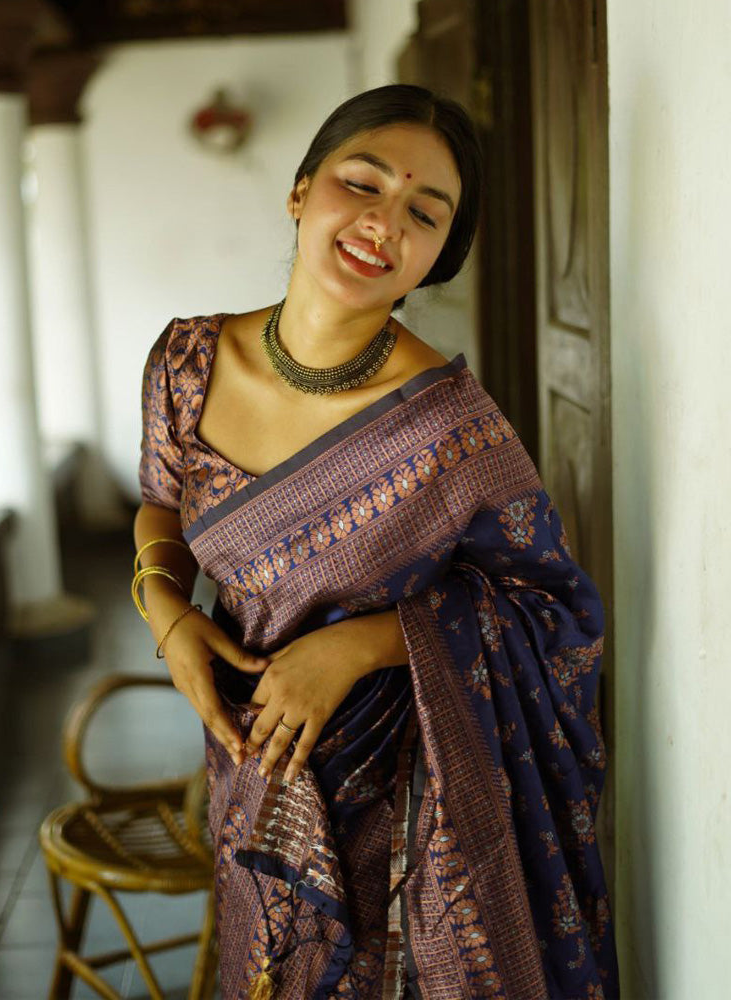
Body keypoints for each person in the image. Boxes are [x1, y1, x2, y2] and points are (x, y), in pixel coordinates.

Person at [133, 84, 620, 1000]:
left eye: (423, 212)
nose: (382, 221)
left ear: (437, 257)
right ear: (300, 189)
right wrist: (169, 616)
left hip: (416, 808)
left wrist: (355, 647)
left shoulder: (450, 427)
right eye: (361, 183)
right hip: (252, 766)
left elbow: (557, 611)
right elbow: (161, 507)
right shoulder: (186, 365)